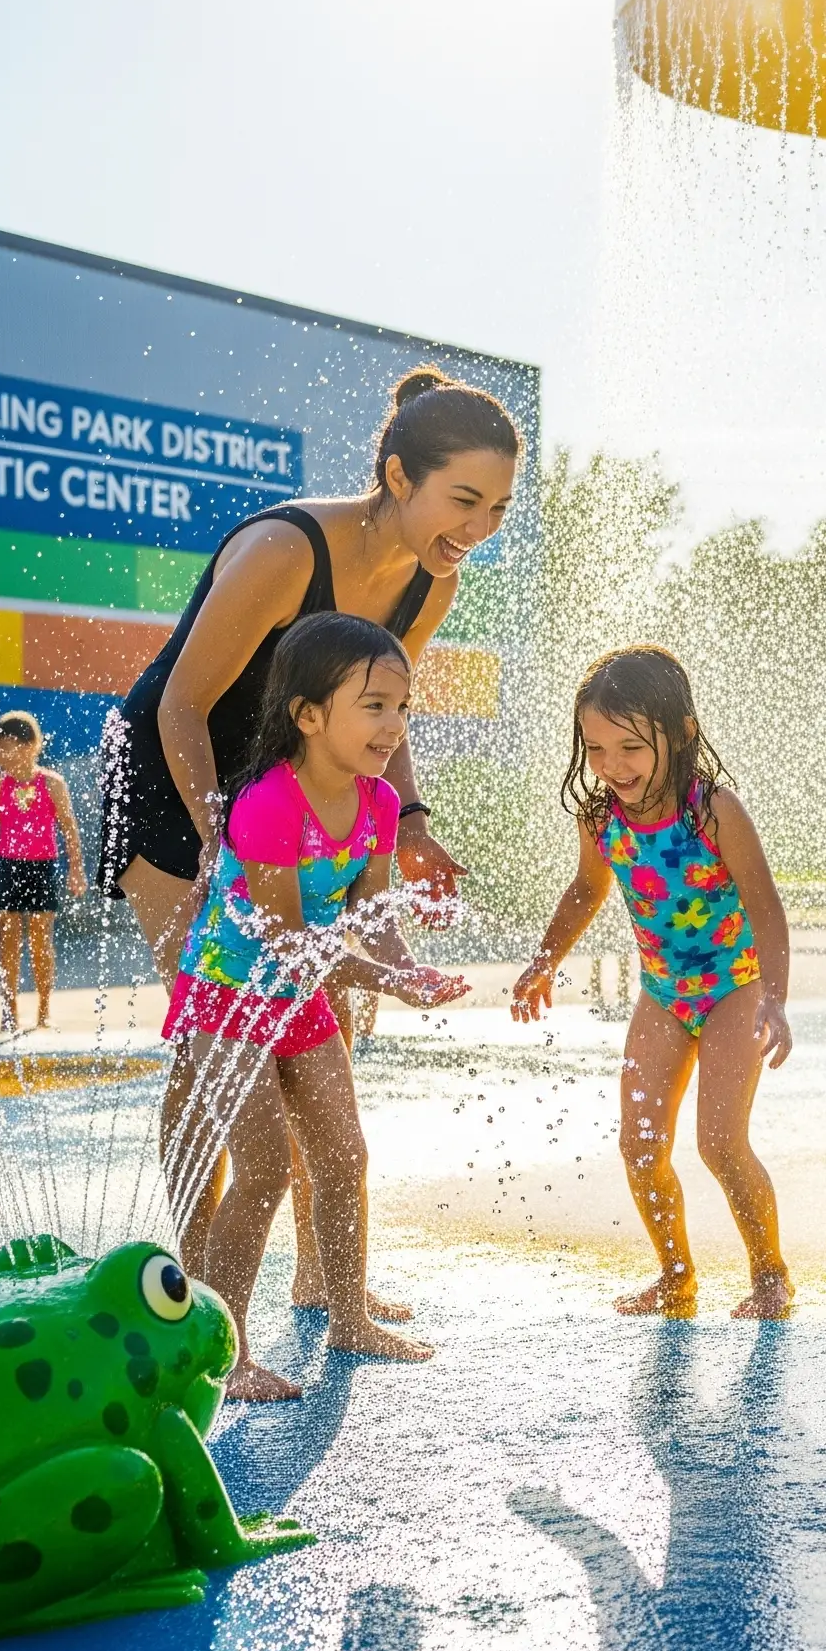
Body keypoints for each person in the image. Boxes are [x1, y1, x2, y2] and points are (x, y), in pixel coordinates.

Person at [104, 366, 518, 1317]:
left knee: (312, 1009)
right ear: (398, 475)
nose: (479, 528)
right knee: (225, 1027)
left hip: (291, 796)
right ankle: (195, 1282)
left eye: (497, 507)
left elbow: (385, 715)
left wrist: (409, 825)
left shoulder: (430, 585)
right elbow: (181, 701)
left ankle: (320, 1275)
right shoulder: (285, 551)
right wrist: (221, 838)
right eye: (464, 500)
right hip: (178, 781)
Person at [159, 614, 469, 1400]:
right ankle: (224, 1355)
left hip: (295, 998)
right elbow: (296, 943)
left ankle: (348, 1315)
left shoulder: (373, 805)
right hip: (228, 1000)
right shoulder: (268, 804)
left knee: (344, 1155)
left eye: (403, 707)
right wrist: (384, 980)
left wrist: (409, 969)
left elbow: (371, 916)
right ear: (307, 714)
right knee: (263, 1169)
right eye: (375, 705)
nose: (394, 724)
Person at [512, 647, 795, 1322]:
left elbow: (765, 907)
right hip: (664, 993)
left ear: (683, 732)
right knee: (640, 1144)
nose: (613, 766)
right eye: (597, 747)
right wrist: (545, 959)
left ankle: (770, 1276)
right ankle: (675, 1277)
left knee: (720, 1143)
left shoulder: (714, 810)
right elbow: (586, 891)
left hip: (734, 987)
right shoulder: (601, 818)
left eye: (631, 746)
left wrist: (777, 1001)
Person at [0, 711, 85, 1033]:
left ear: (31, 745)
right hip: (6, 867)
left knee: (40, 940)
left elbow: (69, 829)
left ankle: (44, 1010)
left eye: (5, 746)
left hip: (42, 868)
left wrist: (76, 869)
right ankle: (9, 1011)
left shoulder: (52, 784)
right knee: (6, 940)